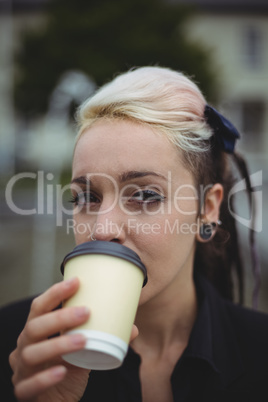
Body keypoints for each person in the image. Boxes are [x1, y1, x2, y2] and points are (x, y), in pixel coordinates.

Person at [1, 66, 268, 402]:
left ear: (208, 209)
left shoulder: (260, 355)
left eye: (145, 195)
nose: (103, 229)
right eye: (86, 197)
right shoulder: (15, 345)